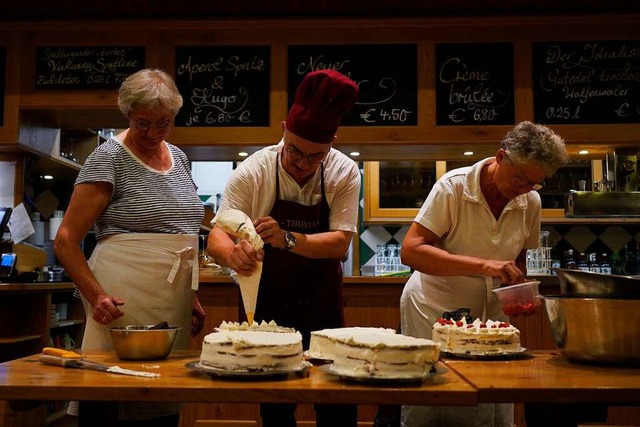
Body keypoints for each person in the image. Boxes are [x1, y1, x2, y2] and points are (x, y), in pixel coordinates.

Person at [207, 69, 361, 427]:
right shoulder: (253, 171)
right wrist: (232, 254)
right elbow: (218, 233)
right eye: (295, 150)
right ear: (283, 130)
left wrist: (289, 239)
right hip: (268, 298)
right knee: (275, 401)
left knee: (335, 395)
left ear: (332, 143)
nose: (303, 162)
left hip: (321, 297)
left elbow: (340, 243)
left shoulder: (344, 172)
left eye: (315, 156)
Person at [54, 68, 206, 427]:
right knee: (114, 394)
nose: (153, 133)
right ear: (126, 114)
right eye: (143, 123)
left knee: (162, 396)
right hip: (121, 294)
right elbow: (65, 239)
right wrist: (95, 297)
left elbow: (179, 228)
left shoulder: (180, 157)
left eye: (163, 123)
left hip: (170, 295)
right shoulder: (109, 157)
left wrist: (192, 294)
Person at [399, 121, 568, 427]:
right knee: (436, 396)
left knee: (492, 395)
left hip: (489, 314)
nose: (524, 189)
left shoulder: (530, 201)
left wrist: (519, 290)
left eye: (534, 183)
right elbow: (411, 251)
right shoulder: (454, 187)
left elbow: (517, 257)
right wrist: (486, 266)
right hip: (433, 307)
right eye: (520, 178)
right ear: (500, 157)